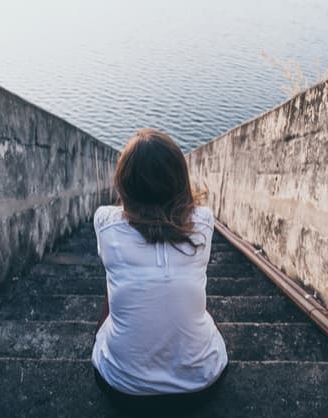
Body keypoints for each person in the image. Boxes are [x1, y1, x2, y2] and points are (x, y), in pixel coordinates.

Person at [91, 128, 228, 415]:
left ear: (124, 185)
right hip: (201, 384)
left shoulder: (105, 224)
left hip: (123, 388)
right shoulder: (203, 222)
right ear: (179, 181)